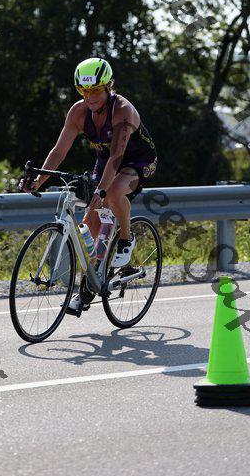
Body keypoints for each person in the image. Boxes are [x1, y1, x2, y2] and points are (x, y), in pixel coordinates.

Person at [21, 57, 157, 316]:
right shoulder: (78, 112)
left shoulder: (123, 111)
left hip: (137, 161)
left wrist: (101, 190)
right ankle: (87, 287)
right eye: (84, 91)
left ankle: (126, 240)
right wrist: (39, 180)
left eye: (95, 90)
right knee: (90, 226)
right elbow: (59, 151)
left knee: (113, 192)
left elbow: (117, 157)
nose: (90, 97)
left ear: (107, 87)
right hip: (105, 164)